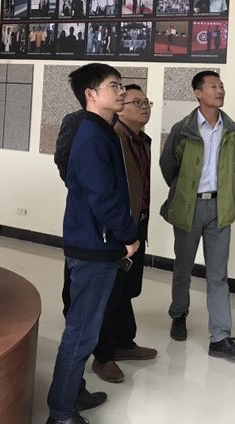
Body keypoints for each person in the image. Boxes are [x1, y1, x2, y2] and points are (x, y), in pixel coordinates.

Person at [46, 63, 140, 424]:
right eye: (114, 86)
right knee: (82, 333)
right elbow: (103, 197)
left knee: (83, 328)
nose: (121, 92)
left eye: (120, 85)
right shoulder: (92, 136)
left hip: (91, 240)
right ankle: (61, 413)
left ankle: (72, 393)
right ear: (91, 94)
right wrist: (128, 234)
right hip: (93, 247)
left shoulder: (100, 131)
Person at [159, 71, 235, 359]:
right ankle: (179, 314)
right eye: (213, 86)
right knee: (183, 268)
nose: (220, 90)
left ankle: (220, 336)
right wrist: (184, 190)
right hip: (189, 206)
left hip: (220, 208)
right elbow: (168, 165)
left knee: (218, 275)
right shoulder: (182, 129)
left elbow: (233, 165)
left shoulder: (232, 129)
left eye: (221, 86)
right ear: (197, 93)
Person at [90, 84, 158, 383]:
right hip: (118, 225)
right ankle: (103, 356)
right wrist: (122, 227)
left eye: (147, 102)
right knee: (110, 292)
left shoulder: (142, 140)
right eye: (136, 102)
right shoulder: (113, 138)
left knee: (127, 287)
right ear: (121, 108)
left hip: (137, 222)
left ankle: (123, 342)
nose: (144, 107)